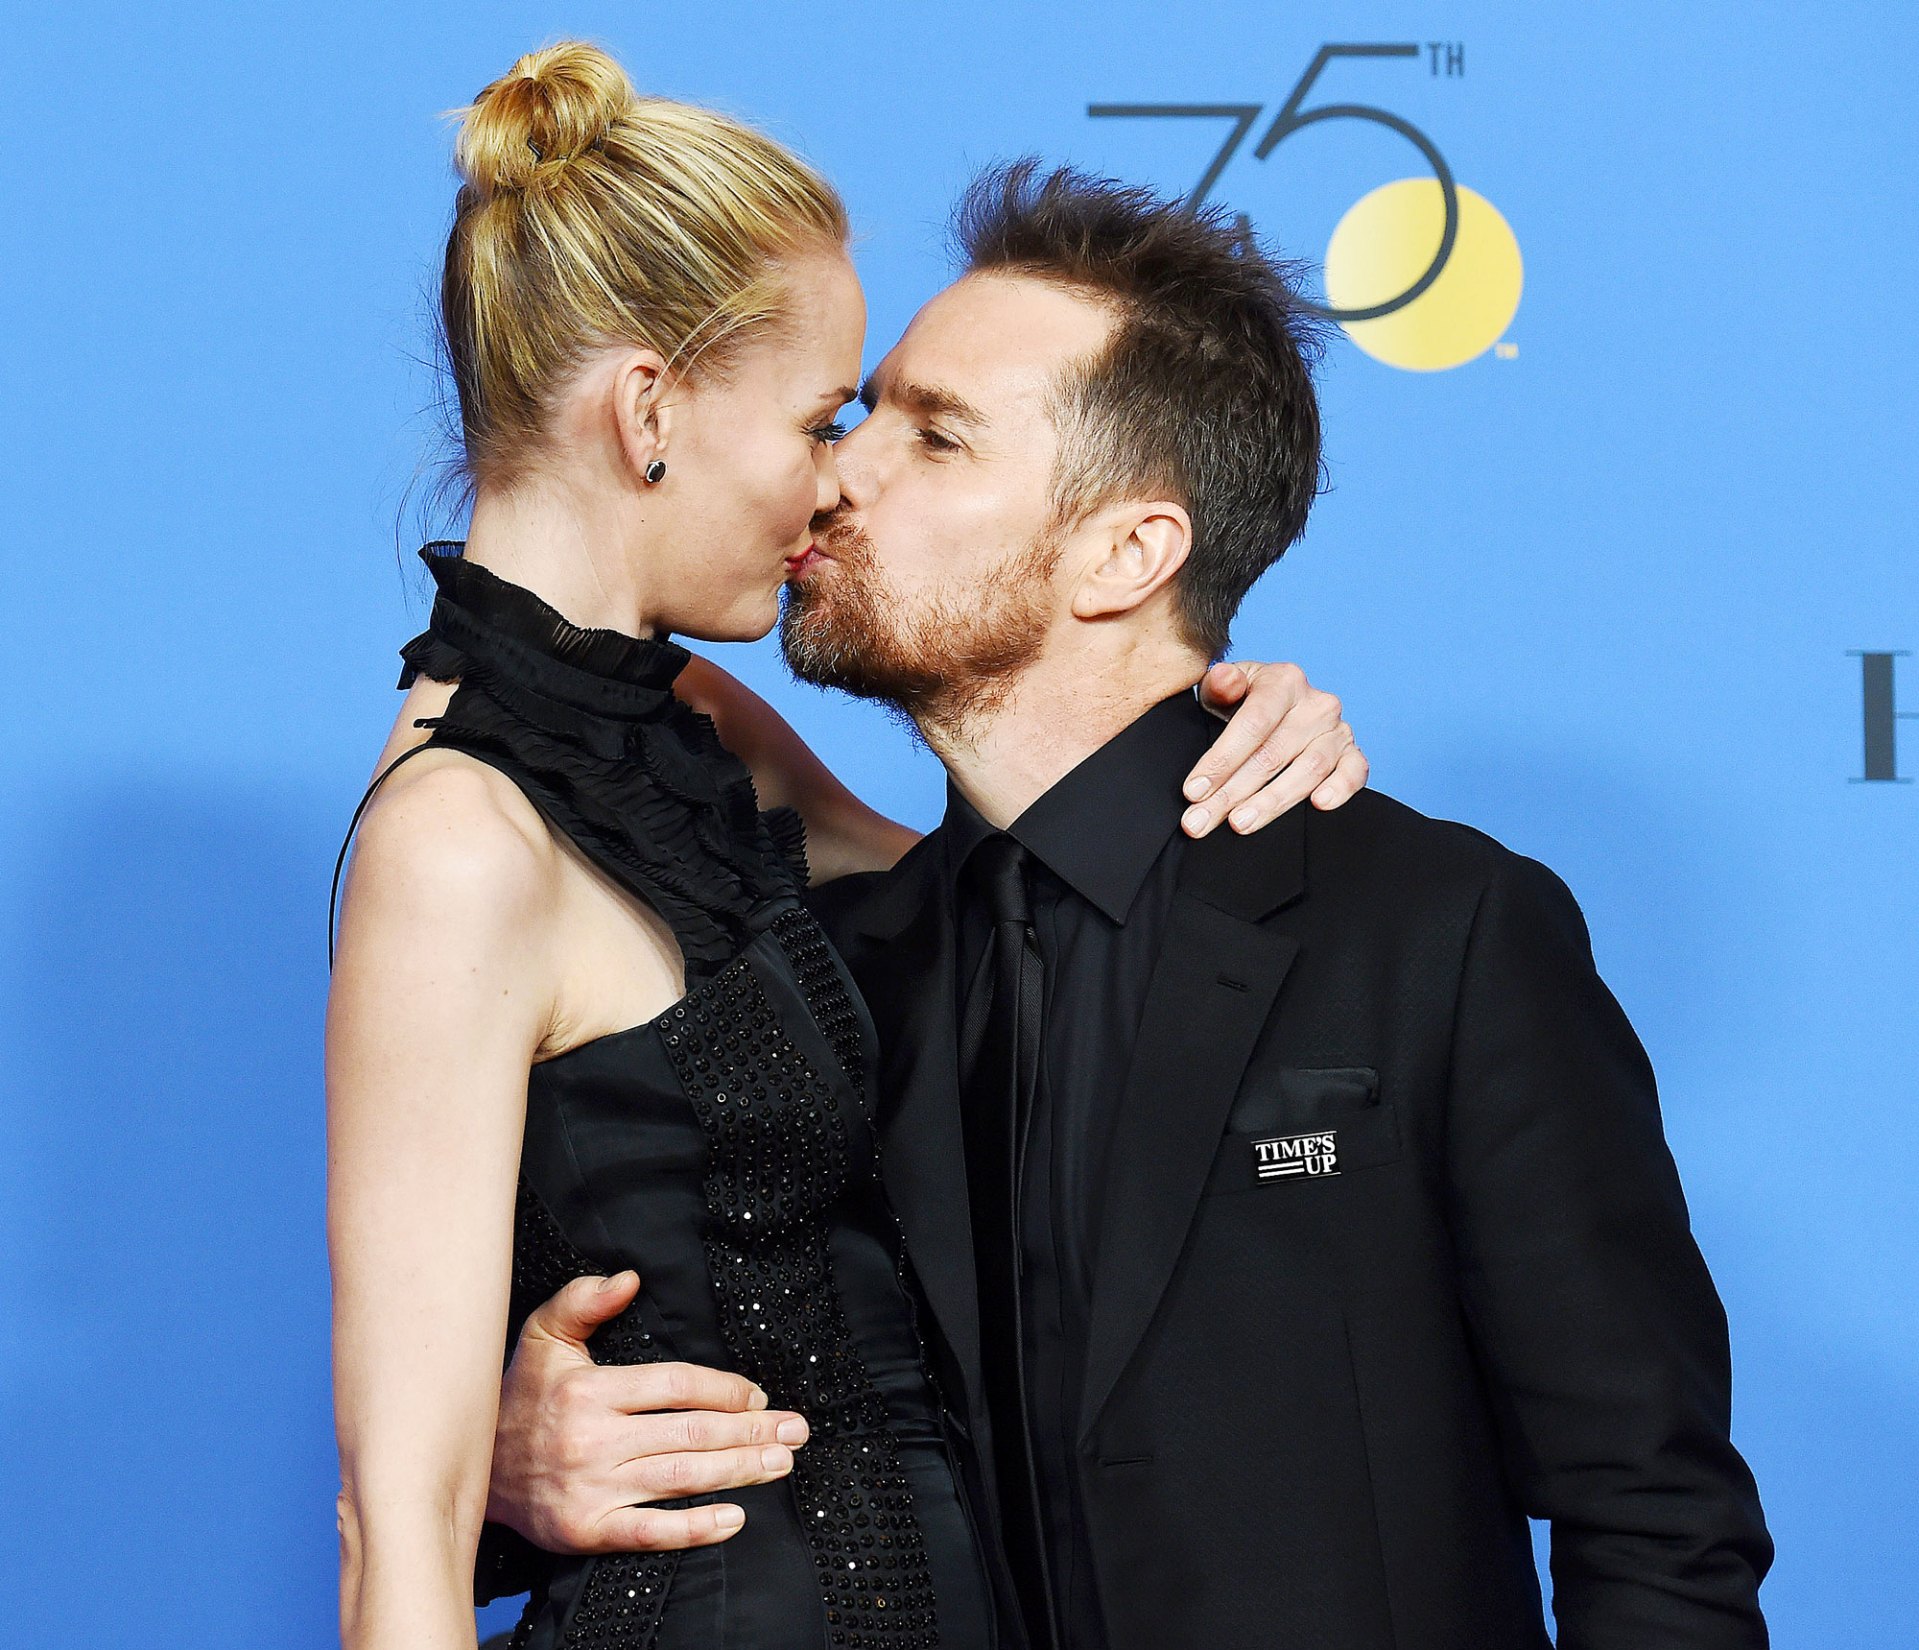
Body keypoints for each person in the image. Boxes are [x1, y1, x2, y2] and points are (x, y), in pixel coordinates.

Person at [488, 164, 1775, 1649]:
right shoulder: (824, 982)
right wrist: (503, 1465)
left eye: (936, 436)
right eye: (859, 416)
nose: (838, 476)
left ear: (1128, 553)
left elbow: (1657, 1523)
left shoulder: (1438, 932)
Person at [326, 45, 1365, 1650]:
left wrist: (1219, 722)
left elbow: (1005, 886)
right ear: (649, 412)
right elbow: (392, 1524)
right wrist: (485, 1461)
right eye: (822, 422)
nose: (836, 487)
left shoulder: (683, 730)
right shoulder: (454, 838)